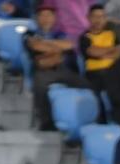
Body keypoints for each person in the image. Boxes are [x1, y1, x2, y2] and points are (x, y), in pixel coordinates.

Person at [25, 3, 79, 131]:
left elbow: (69, 45)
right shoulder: (29, 33)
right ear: (37, 18)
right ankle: (46, 122)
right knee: (40, 86)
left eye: (49, 15)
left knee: (88, 86)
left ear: (55, 18)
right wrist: (57, 50)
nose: (45, 18)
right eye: (42, 15)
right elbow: (35, 46)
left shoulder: (61, 33)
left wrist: (47, 46)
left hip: (65, 70)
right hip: (42, 71)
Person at [78, 4, 120, 98]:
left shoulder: (111, 34)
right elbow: (92, 52)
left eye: (102, 16)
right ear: (89, 18)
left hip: (114, 71)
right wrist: (112, 49)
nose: (98, 19)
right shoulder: (85, 37)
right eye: (95, 16)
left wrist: (102, 54)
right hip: (95, 73)